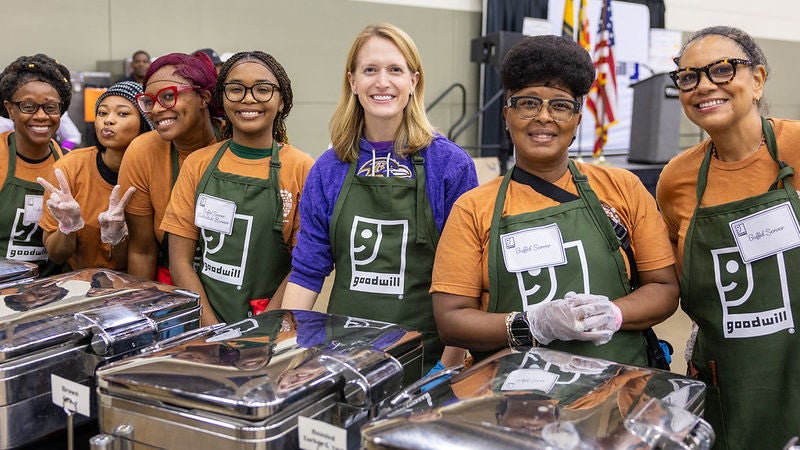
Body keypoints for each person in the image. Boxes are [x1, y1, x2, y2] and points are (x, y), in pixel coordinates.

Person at [430, 35, 678, 367]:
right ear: (507, 115)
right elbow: (451, 320)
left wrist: (615, 314)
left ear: (577, 119)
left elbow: (663, 288)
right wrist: (533, 324)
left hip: (616, 395)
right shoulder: (473, 209)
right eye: (528, 103)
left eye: (560, 105)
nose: (544, 117)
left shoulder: (623, 188)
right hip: (510, 404)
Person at [280, 23, 479, 373]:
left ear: (413, 82)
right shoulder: (329, 168)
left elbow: (467, 282)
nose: (382, 82)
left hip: (425, 359)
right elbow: (307, 272)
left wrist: (445, 369)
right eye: (370, 70)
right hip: (342, 360)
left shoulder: (449, 165)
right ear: (353, 82)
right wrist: (292, 352)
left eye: (395, 70)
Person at [656, 26, 798, 450]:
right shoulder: (676, 180)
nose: (703, 87)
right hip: (729, 377)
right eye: (688, 77)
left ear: (757, 80)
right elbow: (680, 281)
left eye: (722, 70)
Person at [161, 51, 313, 326]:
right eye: (236, 89)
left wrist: (262, 329)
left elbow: (302, 266)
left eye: (263, 89)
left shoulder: (302, 168)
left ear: (282, 102)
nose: (248, 98)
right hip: (203, 327)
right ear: (223, 99)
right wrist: (211, 329)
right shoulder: (198, 163)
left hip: (271, 329)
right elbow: (180, 262)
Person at [118, 52, 223, 282]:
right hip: (171, 291)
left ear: (204, 98)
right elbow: (142, 250)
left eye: (168, 96)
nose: (155, 110)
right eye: (149, 101)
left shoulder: (234, 145)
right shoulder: (143, 152)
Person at [37, 81, 153, 271]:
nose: (108, 120)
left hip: (130, 287)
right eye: (102, 113)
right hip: (78, 285)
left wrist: (117, 238)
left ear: (145, 124)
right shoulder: (69, 168)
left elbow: (140, 260)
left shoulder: (154, 174)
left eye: (122, 113)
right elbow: (57, 256)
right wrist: (67, 227)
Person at [0, 54, 72, 276]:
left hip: (51, 292)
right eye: (28, 106)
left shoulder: (71, 164)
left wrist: (69, 226)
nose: (41, 116)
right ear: (10, 109)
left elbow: (63, 254)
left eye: (51, 107)